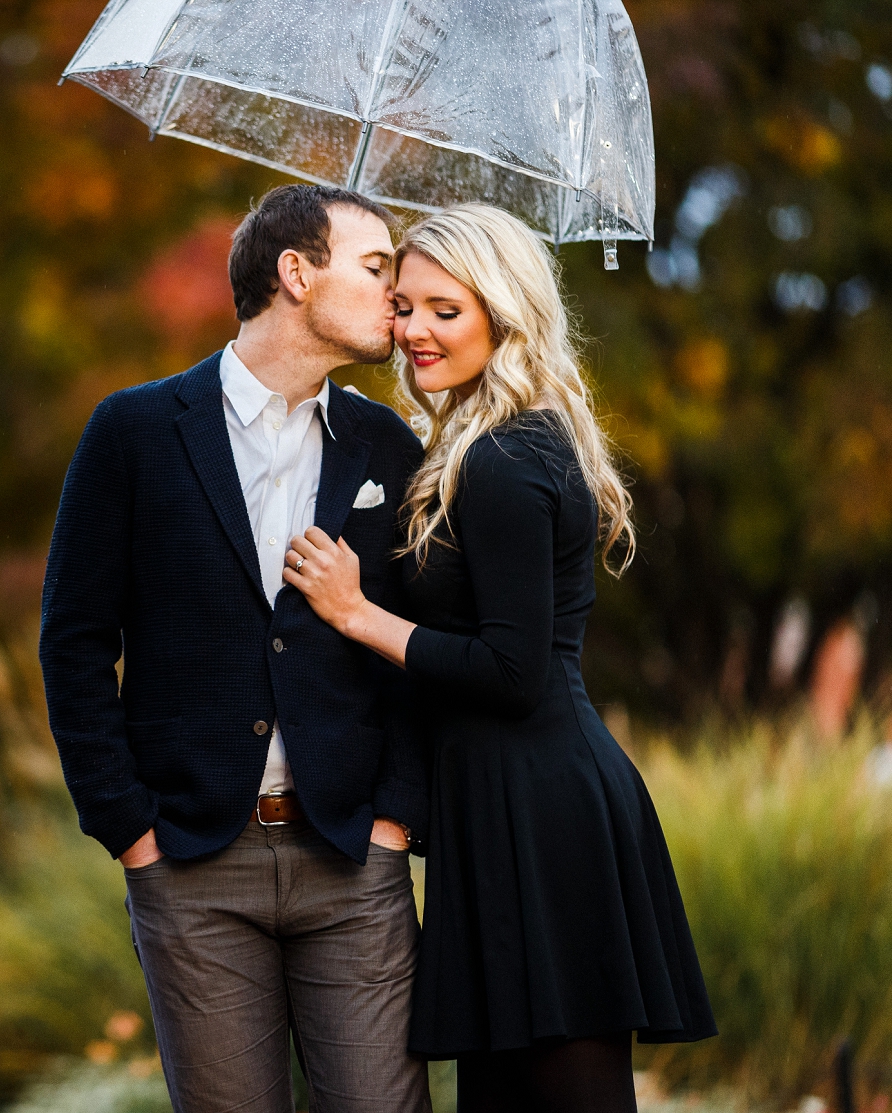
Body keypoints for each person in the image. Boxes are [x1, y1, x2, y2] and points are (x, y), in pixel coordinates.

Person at [285, 203, 716, 1112]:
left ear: (503, 311)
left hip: (543, 810)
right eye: (403, 306)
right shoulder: (480, 443)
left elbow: (512, 672)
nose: (415, 332)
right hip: (500, 806)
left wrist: (358, 615)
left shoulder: (504, 460)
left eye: (448, 309)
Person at [39, 183, 432, 1113]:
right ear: (296, 272)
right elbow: (75, 642)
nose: (396, 298)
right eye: (376, 269)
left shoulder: (385, 444)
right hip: (191, 863)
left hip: (352, 858)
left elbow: (424, 642)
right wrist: (129, 832)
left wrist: (395, 824)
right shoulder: (132, 433)